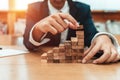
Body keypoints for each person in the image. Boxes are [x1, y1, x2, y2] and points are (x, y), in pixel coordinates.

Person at [23, 0, 120, 64]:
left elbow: (91, 35)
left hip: (75, 67)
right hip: (42, 65)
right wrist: (38, 29)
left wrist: (102, 37)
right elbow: (28, 42)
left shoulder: (83, 9)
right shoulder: (33, 8)